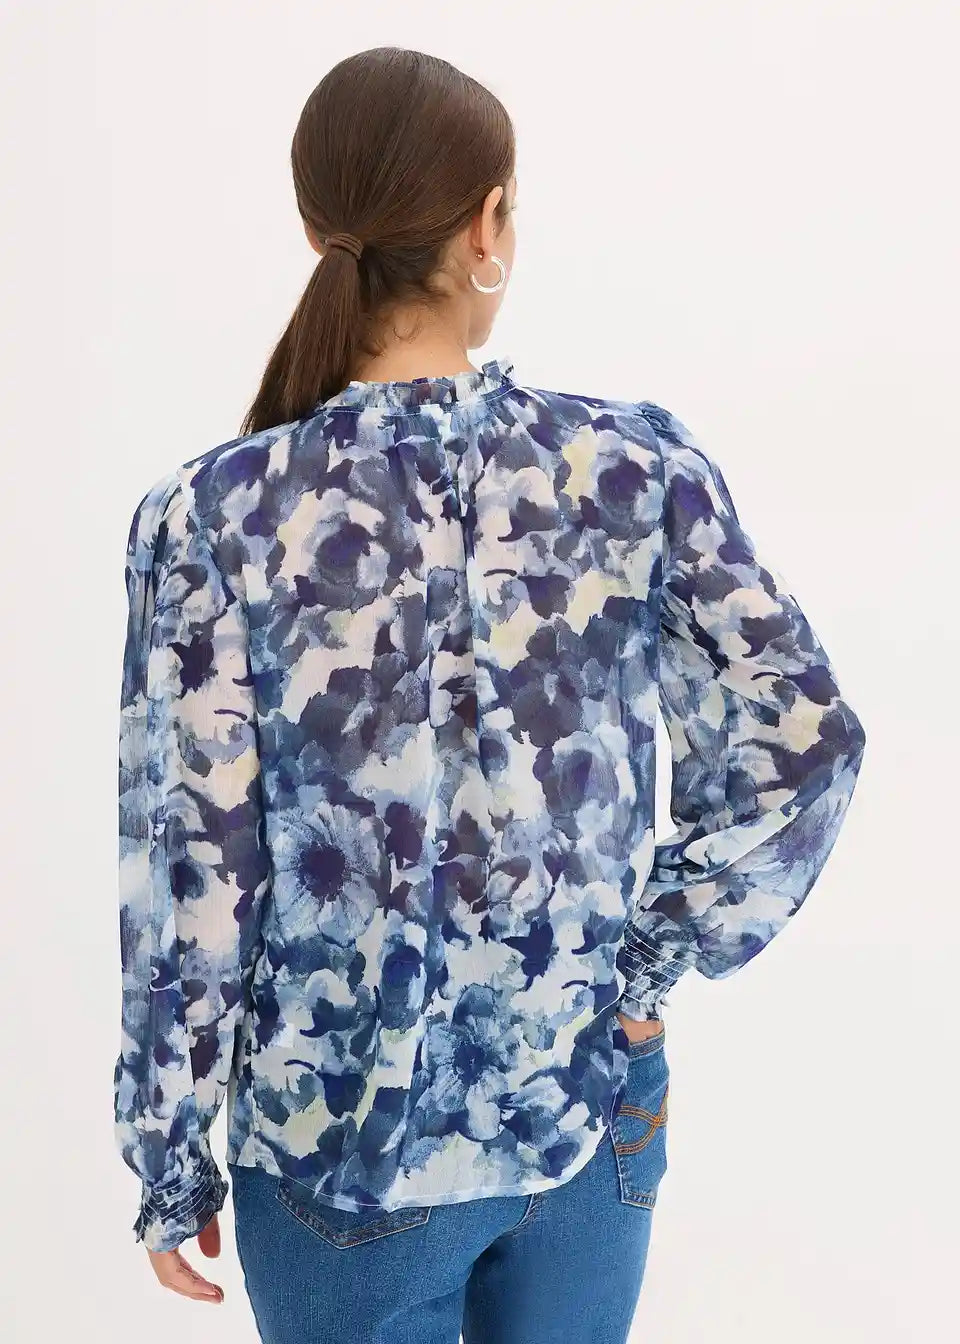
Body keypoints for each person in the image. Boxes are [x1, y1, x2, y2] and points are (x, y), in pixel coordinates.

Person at [112, 45, 866, 1344]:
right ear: (489, 223)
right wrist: (645, 960)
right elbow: (803, 741)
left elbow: (191, 872)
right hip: (587, 1099)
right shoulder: (632, 469)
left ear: (317, 226)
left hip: (336, 1142)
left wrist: (168, 1151)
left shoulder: (213, 515)